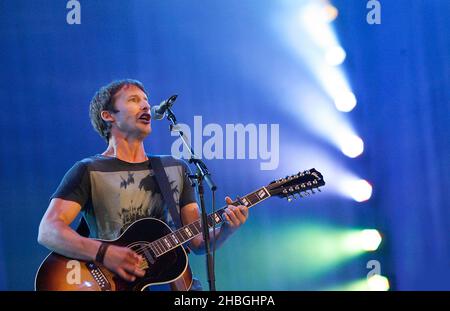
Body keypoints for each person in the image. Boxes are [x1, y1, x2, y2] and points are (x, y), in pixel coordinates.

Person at [37, 79, 249, 290]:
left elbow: (198, 243)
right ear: (108, 115)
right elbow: (48, 230)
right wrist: (104, 253)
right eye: (133, 100)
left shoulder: (175, 168)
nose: (146, 105)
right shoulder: (89, 170)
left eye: (146, 101)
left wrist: (226, 230)